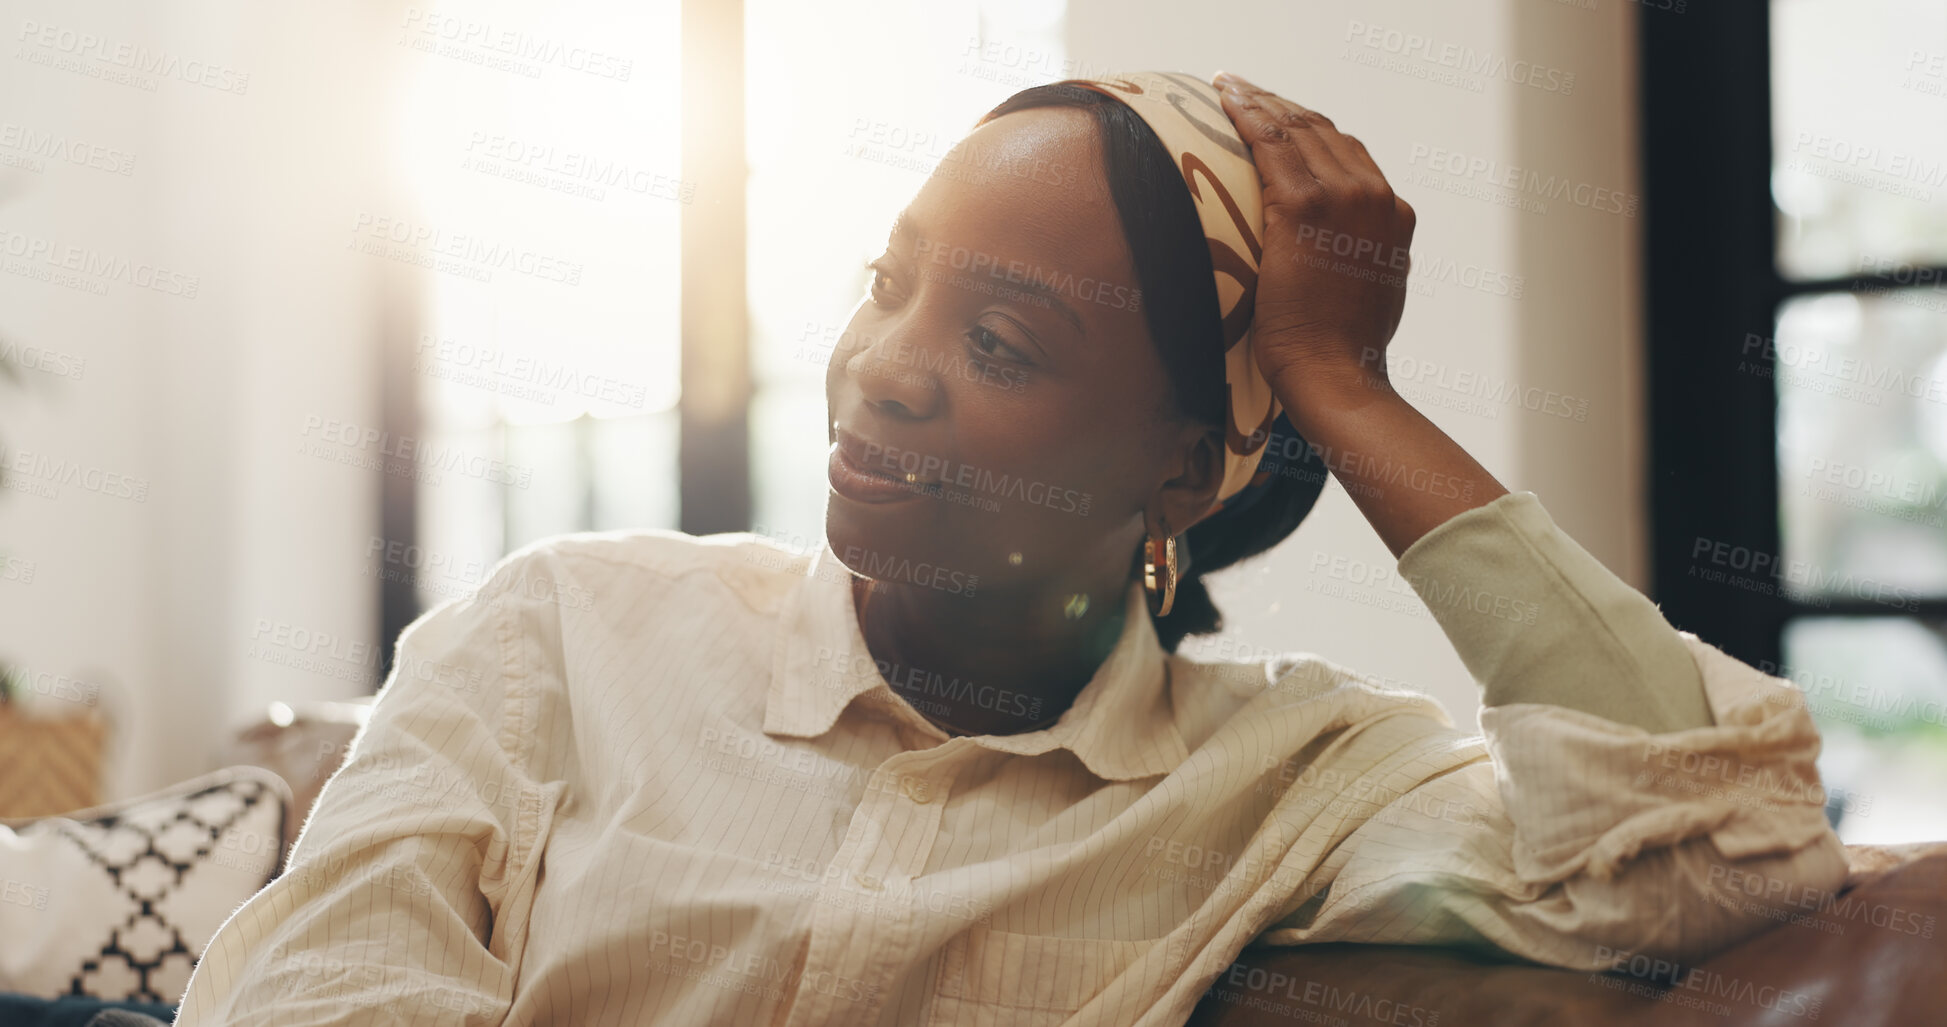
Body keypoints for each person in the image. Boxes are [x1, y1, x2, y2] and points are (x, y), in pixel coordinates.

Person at [173, 71, 1848, 1027]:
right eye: (889, 285)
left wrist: (1345, 386)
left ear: (1180, 471)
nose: (883, 368)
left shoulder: (1296, 779)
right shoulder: (563, 630)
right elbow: (309, 998)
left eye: (1002, 343)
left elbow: (1720, 862)